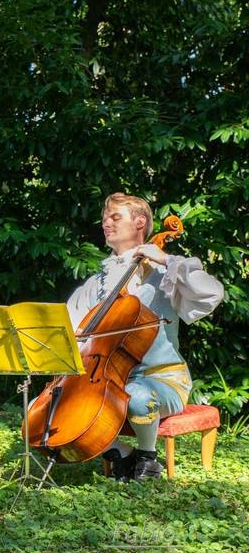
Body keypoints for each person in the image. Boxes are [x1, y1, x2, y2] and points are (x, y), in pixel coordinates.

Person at [66, 192, 224, 481]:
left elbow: (211, 293)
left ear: (140, 222)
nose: (106, 223)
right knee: (54, 407)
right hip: (105, 379)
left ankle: (148, 460)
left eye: (115, 217)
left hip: (162, 378)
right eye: (104, 218)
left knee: (137, 397)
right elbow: (73, 329)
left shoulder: (165, 273)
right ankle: (122, 454)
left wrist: (166, 259)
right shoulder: (98, 281)